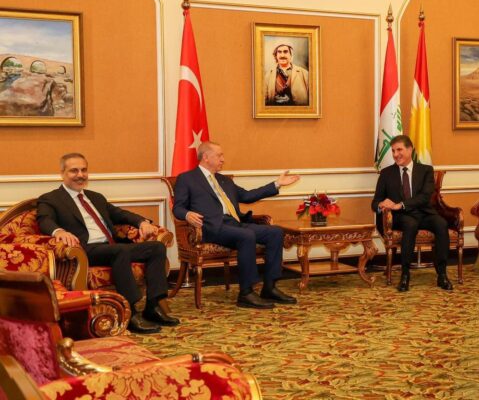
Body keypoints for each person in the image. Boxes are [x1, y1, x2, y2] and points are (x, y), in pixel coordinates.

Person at [37, 153, 178, 334]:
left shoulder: (95, 197)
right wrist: (59, 232)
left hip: (111, 246)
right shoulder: (51, 199)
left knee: (156, 247)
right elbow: (44, 220)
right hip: (86, 250)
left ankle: (153, 305)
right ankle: (130, 312)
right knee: (120, 251)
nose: (80, 175)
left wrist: (141, 222)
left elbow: (120, 214)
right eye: (74, 171)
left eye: (84, 170)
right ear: (62, 173)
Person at [173, 141, 300, 309]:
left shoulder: (224, 180)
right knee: (246, 236)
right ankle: (246, 293)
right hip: (211, 227)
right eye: (219, 155)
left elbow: (247, 196)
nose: (223, 159)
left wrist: (276, 184)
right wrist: (187, 214)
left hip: (234, 223)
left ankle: (270, 287)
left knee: (275, 232)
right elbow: (178, 207)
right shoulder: (187, 179)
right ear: (206, 157)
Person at [371, 135, 453, 292]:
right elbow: (375, 202)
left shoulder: (425, 170)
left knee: (441, 224)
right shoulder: (386, 173)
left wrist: (401, 205)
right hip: (400, 217)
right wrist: (381, 205)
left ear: (410, 150)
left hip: (424, 213)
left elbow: (425, 197)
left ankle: (442, 274)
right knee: (410, 224)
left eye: (399, 150)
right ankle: (405, 274)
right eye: (393, 151)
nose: (395, 154)